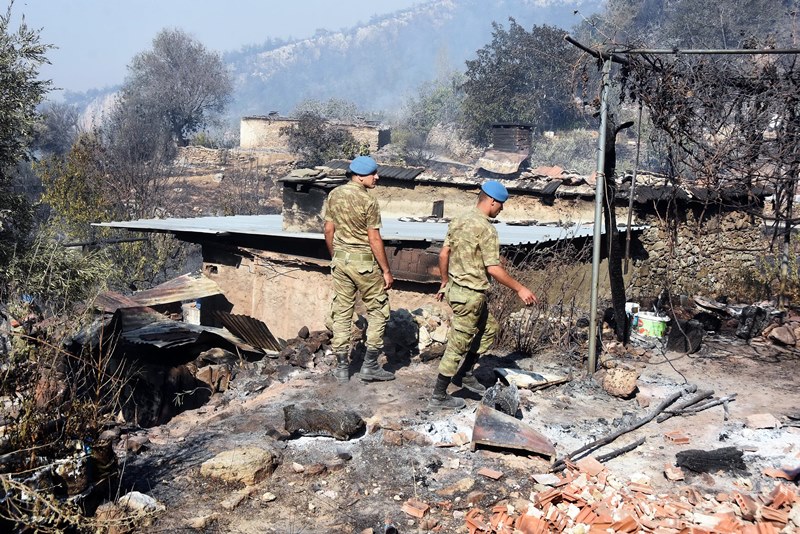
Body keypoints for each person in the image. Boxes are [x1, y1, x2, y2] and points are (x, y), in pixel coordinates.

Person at [430, 180, 538, 409]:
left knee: (489, 329)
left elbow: (443, 254)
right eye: (501, 204)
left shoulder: (459, 220)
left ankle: (466, 373)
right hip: (469, 295)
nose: (502, 209)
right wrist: (520, 288)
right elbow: (493, 268)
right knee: (458, 344)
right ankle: (439, 395)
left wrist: (444, 282)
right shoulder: (487, 229)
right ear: (491, 201)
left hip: (458, 291)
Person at [323, 155, 395, 383]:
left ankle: (342, 367)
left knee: (342, 312)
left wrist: (336, 257)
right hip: (364, 263)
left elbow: (328, 231)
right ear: (360, 176)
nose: (377, 177)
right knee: (379, 311)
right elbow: (374, 239)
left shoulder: (334, 194)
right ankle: (370, 366)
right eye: (373, 174)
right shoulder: (369, 201)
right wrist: (386, 270)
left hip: (341, 261)